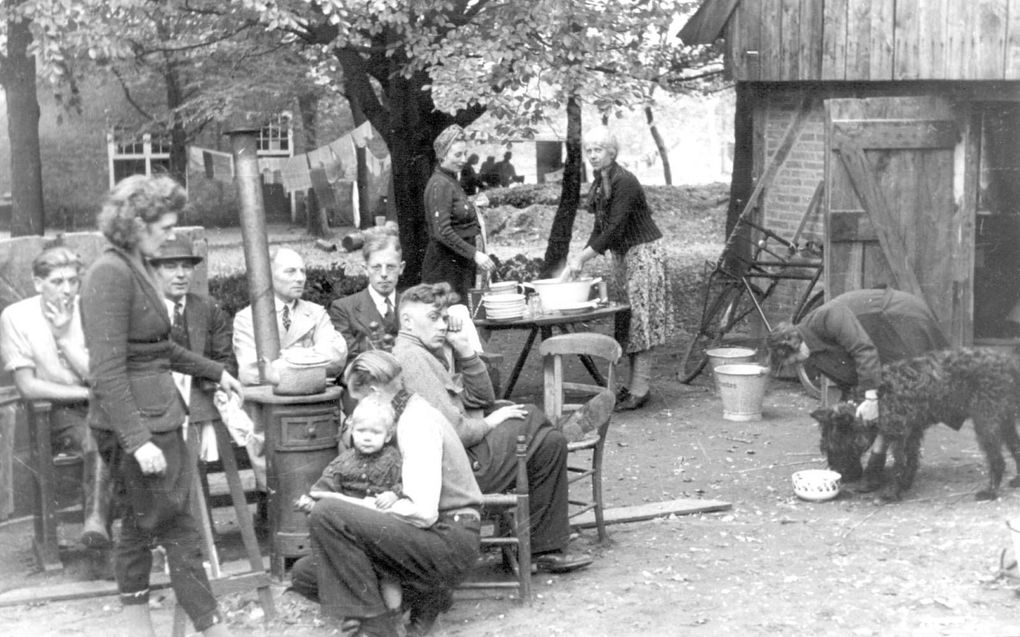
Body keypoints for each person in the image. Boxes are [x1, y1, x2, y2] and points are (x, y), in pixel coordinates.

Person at [80, 174, 244, 637]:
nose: (170, 236)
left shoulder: (136, 267)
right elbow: (107, 370)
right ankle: (213, 629)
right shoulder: (110, 273)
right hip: (138, 427)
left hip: (157, 418)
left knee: (138, 527)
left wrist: (215, 371)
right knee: (179, 529)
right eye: (165, 227)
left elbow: (159, 349)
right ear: (136, 223)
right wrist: (137, 441)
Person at [392, 282, 599, 574]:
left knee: (551, 444)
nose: (441, 325)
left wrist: (465, 350)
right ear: (407, 321)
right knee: (528, 413)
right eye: (433, 318)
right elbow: (457, 432)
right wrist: (491, 422)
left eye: (443, 318)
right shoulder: (411, 358)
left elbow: (482, 397)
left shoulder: (425, 350)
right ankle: (558, 427)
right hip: (459, 468)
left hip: (465, 455)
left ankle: (543, 550)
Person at [289, 352, 484, 637]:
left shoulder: (416, 423)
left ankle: (378, 626)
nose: (359, 408)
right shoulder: (403, 413)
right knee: (307, 573)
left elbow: (422, 512)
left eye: (359, 400)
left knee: (328, 513)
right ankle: (424, 597)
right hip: (426, 537)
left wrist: (343, 502)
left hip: (448, 537)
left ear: (375, 392)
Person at [0, 246, 115, 555]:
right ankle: (97, 525)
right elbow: (29, 386)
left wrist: (64, 335)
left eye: (73, 281)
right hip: (56, 412)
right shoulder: (16, 317)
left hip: (104, 403)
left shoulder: (91, 308)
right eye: (57, 281)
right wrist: (87, 394)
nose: (67, 289)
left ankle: (102, 525)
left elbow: (100, 375)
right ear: (38, 283)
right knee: (100, 430)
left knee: (112, 430)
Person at [561, 126, 669, 411]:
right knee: (628, 317)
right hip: (625, 256)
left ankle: (640, 389)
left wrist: (583, 259)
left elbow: (616, 227)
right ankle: (634, 386)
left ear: (612, 152)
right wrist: (579, 259)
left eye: (598, 150)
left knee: (641, 320)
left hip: (644, 254)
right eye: (589, 150)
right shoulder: (602, 181)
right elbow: (600, 227)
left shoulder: (625, 182)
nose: (593, 155)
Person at [296, 397, 405, 617]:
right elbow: (323, 489)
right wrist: (311, 502)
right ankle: (355, 614)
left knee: (388, 573)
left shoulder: (393, 460)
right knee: (343, 568)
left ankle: (395, 617)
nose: (366, 437)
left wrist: (394, 493)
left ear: (388, 435)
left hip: (381, 529)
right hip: (349, 533)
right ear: (352, 431)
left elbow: (409, 483)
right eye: (361, 430)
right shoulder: (342, 463)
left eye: (375, 433)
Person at [766, 287, 949, 416]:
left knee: (923, 383)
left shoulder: (825, 317)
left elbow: (863, 350)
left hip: (901, 316)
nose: (800, 363)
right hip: (881, 330)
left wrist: (869, 397)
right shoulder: (813, 353)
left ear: (794, 343)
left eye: (796, 358)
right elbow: (848, 379)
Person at [150, 236, 238, 456]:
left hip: (204, 402)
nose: (181, 274)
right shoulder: (145, 311)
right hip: (158, 411)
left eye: (187, 267)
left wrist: (214, 383)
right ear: (154, 272)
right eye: (170, 267)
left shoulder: (208, 308)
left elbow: (225, 360)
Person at [233, 246, 348, 385]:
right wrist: (311, 360)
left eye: (303, 271)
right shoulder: (247, 318)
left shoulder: (316, 313)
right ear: (268, 275)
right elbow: (251, 373)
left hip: (313, 400)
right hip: (269, 402)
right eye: (290, 272)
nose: (300, 278)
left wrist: (284, 360)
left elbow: (336, 358)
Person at [421, 124, 496, 302]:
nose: (463, 160)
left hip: (458, 267)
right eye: (457, 155)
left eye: (465, 154)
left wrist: (472, 204)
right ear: (442, 155)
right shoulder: (440, 184)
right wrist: (474, 254)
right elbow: (442, 232)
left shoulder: (450, 180)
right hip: (445, 270)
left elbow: (453, 210)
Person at [329, 226, 404, 361]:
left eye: (391, 267)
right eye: (376, 267)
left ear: (401, 268)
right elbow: (350, 360)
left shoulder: (411, 305)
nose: (384, 274)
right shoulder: (344, 309)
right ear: (365, 269)